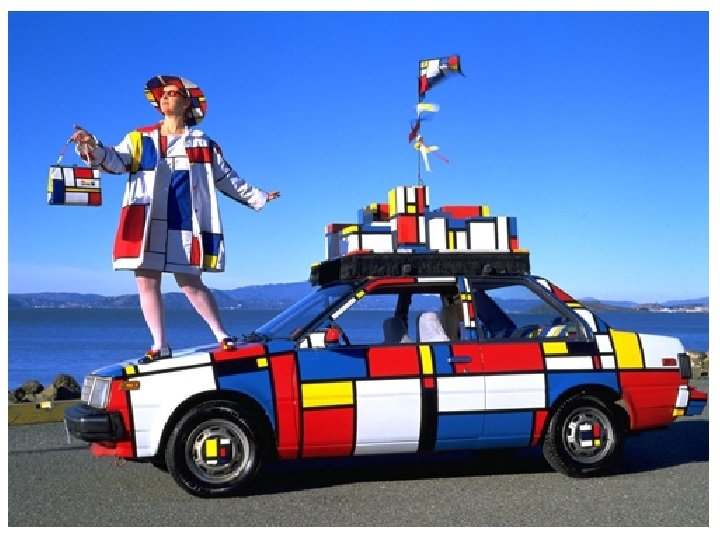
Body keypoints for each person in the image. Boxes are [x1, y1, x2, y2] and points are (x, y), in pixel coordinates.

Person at [70, 75, 280, 363]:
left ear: (186, 103)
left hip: (185, 216)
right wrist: (90, 145)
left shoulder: (203, 142)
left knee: (190, 280)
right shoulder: (139, 137)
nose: (166, 97)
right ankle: (159, 344)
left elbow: (225, 177)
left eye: (173, 93)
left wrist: (258, 196)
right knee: (146, 280)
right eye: (163, 95)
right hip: (146, 215)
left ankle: (222, 335)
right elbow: (114, 161)